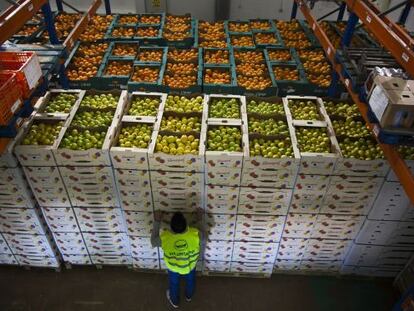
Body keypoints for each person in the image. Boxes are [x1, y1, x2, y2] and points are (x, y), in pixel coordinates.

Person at [151, 209, 204, 308]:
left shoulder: (165, 237)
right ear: (186, 225)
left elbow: (153, 242)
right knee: (190, 280)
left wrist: (157, 220)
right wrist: (199, 219)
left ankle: (175, 302)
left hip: (173, 267)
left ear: (170, 226)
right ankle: (189, 296)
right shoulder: (194, 233)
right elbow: (204, 238)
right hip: (189, 266)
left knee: (174, 283)